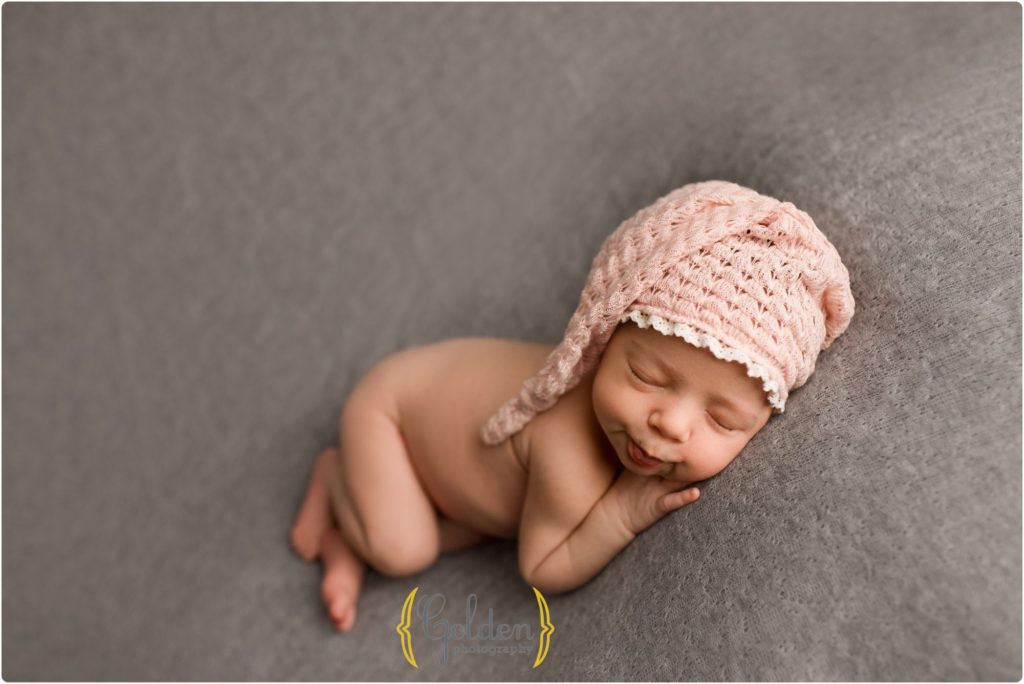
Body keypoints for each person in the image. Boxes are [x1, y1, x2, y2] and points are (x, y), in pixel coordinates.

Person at [290, 179, 856, 632]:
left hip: (451, 457)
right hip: (393, 412)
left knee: (461, 524)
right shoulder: (570, 450)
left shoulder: (639, 430)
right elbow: (542, 568)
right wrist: (620, 514)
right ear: (600, 339)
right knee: (403, 549)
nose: (671, 422)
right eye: (645, 375)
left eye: (722, 419)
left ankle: (353, 523)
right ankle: (340, 474)